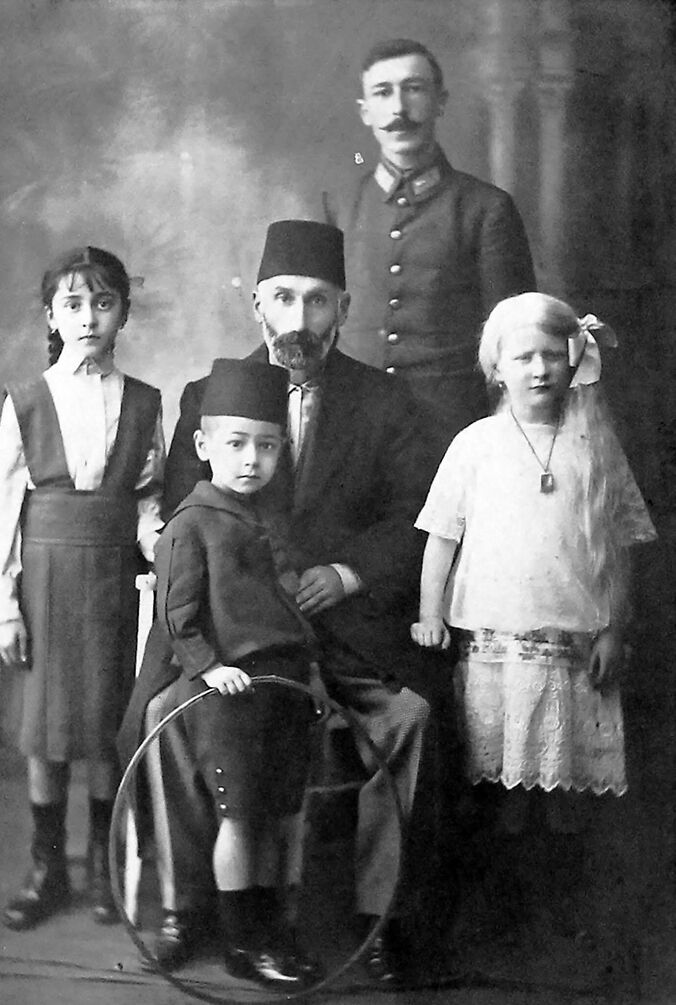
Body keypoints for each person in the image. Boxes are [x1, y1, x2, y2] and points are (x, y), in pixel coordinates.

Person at [118, 220, 435, 986]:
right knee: (167, 718)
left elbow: (418, 516)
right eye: (283, 298)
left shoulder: (386, 404)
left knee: (410, 720)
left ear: (345, 306)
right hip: (227, 636)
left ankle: (375, 916)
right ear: (257, 304)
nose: (298, 320)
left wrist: (351, 571)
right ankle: (191, 907)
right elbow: (168, 511)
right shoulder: (208, 396)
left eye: (317, 301)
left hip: (341, 633)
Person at [411, 292, 657, 937]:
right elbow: (442, 535)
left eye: (553, 355)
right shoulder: (476, 444)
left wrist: (613, 628)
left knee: (566, 793)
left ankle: (559, 914)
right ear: (497, 367)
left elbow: (621, 548)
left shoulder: (596, 449)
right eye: (524, 357)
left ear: (575, 360)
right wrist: (429, 613)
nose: (540, 369)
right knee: (502, 790)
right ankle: (501, 912)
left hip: (573, 647)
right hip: (495, 646)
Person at [0, 246, 165, 930]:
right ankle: (46, 866)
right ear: (52, 315)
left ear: (123, 310)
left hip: (112, 583)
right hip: (44, 586)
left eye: (103, 302)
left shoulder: (145, 402)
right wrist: (5, 609)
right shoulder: (27, 401)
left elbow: (147, 496)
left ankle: (104, 869)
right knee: (46, 734)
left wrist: (152, 536)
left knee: (102, 731)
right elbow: (4, 511)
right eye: (73, 304)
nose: (89, 317)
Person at [152, 357, 322, 988]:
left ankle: (279, 929)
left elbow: (289, 608)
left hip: (284, 687)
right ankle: (242, 941)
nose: (252, 460)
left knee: (285, 813)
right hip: (229, 693)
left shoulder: (269, 521)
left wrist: (313, 676)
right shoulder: (189, 525)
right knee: (241, 814)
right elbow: (178, 615)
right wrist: (209, 668)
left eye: (267, 447)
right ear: (202, 447)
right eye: (236, 445)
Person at [323, 38, 537, 453]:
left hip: (450, 434)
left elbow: (513, 343)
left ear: (440, 102)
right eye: (382, 93)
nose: (398, 110)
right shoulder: (340, 204)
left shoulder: (486, 209)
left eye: (414, 89)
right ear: (365, 112)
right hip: (352, 430)